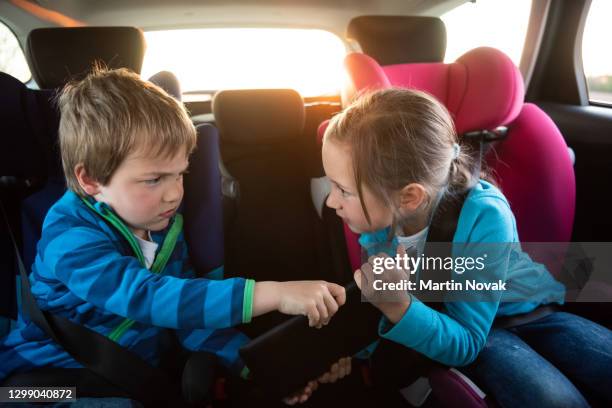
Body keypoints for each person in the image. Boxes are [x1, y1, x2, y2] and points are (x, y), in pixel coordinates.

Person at [0, 67, 346, 404]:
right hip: (46, 383)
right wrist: (272, 294)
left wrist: (259, 372)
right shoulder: (70, 239)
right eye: (154, 180)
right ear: (90, 180)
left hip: (128, 379)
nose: (174, 194)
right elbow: (147, 297)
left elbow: (190, 317)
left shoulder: (163, 227)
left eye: (179, 175)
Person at [321, 87, 612, 407]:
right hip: (475, 333)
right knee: (555, 401)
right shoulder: (378, 227)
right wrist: (350, 353)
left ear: (409, 197)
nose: (331, 201)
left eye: (343, 190)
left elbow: (461, 336)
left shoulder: (486, 216)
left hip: (531, 313)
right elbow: (451, 333)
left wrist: (399, 308)